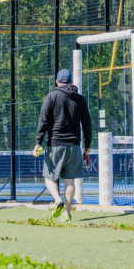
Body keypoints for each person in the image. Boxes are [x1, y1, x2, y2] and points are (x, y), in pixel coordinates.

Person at [33, 68, 91, 222]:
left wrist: (38, 141)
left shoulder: (51, 96)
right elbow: (87, 124)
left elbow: (43, 121)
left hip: (55, 143)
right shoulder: (80, 99)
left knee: (49, 177)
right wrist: (88, 144)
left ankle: (57, 200)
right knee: (70, 181)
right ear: (71, 82)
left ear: (57, 82)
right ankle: (67, 213)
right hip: (74, 144)